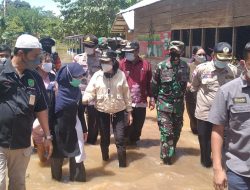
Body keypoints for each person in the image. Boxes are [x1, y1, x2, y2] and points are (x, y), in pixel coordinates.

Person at [0, 34, 53, 190]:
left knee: (18, 184)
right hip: (0, 142)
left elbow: (41, 108)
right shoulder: (1, 72)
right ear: (21, 54)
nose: (38, 60)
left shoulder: (35, 77)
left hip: (22, 143)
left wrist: (47, 136)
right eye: (35, 56)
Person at [208, 42, 250, 190]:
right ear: (243, 63)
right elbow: (217, 130)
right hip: (239, 173)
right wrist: (218, 169)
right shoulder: (227, 91)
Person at [191, 42, 238, 168]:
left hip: (224, 116)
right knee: (205, 149)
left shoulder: (233, 71)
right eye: (221, 58)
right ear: (213, 55)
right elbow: (194, 87)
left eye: (226, 59)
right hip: (205, 115)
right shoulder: (201, 69)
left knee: (224, 147)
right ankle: (206, 167)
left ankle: (221, 170)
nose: (223, 62)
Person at [83, 50, 132, 167]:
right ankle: (105, 162)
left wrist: (129, 112)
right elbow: (90, 92)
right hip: (102, 112)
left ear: (113, 61)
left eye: (107, 61)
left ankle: (123, 166)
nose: (104, 64)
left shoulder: (121, 75)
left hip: (119, 111)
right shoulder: (97, 76)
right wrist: (84, 100)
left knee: (120, 139)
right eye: (102, 62)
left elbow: (127, 94)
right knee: (104, 139)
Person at [151, 41, 189, 165]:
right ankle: (166, 160)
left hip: (178, 106)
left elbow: (185, 86)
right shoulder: (161, 66)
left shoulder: (185, 67)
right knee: (167, 133)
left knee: (177, 132)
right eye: (172, 50)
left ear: (182, 52)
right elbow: (154, 85)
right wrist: (153, 99)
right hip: (163, 105)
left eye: (176, 51)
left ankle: (170, 151)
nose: (173, 53)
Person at [50, 63, 88, 182]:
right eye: (76, 77)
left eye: (80, 77)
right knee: (56, 161)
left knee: (77, 158)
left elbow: (80, 112)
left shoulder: (76, 91)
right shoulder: (53, 91)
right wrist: (48, 134)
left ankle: (77, 182)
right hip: (57, 130)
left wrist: (85, 129)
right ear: (67, 76)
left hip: (74, 129)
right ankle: (56, 184)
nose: (79, 80)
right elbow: (49, 114)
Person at [119, 41, 155, 146]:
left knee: (138, 127)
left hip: (141, 102)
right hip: (125, 102)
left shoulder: (146, 64)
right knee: (126, 127)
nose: (128, 53)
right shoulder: (121, 64)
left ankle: (133, 142)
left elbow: (149, 83)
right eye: (127, 52)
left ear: (137, 51)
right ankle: (125, 147)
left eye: (131, 51)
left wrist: (152, 98)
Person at [32, 52, 56, 162]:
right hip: (35, 114)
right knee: (39, 142)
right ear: (39, 64)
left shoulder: (52, 75)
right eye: (46, 62)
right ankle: (42, 161)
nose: (49, 64)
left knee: (49, 138)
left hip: (50, 113)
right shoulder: (32, 77)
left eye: (50, 61)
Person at [185, 47, 207, 134]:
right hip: (191, 96)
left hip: (204, 97)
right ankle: (195, 131)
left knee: (203, 118)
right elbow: (184, 78)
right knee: (192, 117)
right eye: (200, 54)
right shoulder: (189, 66)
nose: (202, 56)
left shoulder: (208, 66)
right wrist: (187, 83)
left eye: (204, 54)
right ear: (194, 55)